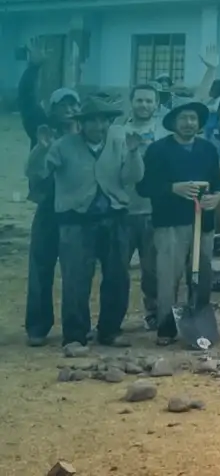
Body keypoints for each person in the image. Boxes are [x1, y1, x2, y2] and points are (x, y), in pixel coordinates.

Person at [32, 95, 144, 353]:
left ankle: (110, 330)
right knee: (76, 280)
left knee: (117, 277)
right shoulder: (63, 145)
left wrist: (134, 153)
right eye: (92, 121)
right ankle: (75, 335)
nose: (98, 126)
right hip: (76, 221)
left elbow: (133, 178)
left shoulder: (120, 143)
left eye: (103, 121)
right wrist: (41, 149)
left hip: (114, 217)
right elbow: (37, 172)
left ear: (109, 123)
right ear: (81, 123)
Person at [138, 100, 220, 346]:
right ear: (174, 123)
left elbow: (218, 180)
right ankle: (166, 327)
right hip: (170, 224)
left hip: (203, 223)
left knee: (202, 275)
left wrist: (217, 196)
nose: (189, 123)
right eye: (184, 118)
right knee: (168, 277)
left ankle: (199, 324)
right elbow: (144, 187)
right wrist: (172, 188)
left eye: (193, 119)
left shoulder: (208, 149)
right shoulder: (158, 150)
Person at [22, 82, 80, 347]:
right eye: (62, 105)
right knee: (40, 270)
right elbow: (33, 172)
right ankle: (37, 327)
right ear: (52, 110)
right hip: (48, 211)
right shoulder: (44, 135)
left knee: (76, 273)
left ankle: (76, 329)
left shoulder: (87, 136)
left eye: (73, 104)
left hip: (77, 213)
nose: (69, 109)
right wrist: (41, 148)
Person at [119, 84, 166, 331]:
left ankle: (154, 313)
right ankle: (112, 320)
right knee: (116, 270)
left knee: (152, 270)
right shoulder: (117, 133)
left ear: (156, 104)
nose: (144, 105)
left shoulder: (164, 132)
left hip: (153, 211)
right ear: (131, 102)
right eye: (139, 100)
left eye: (149, 101)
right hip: (122, 211)